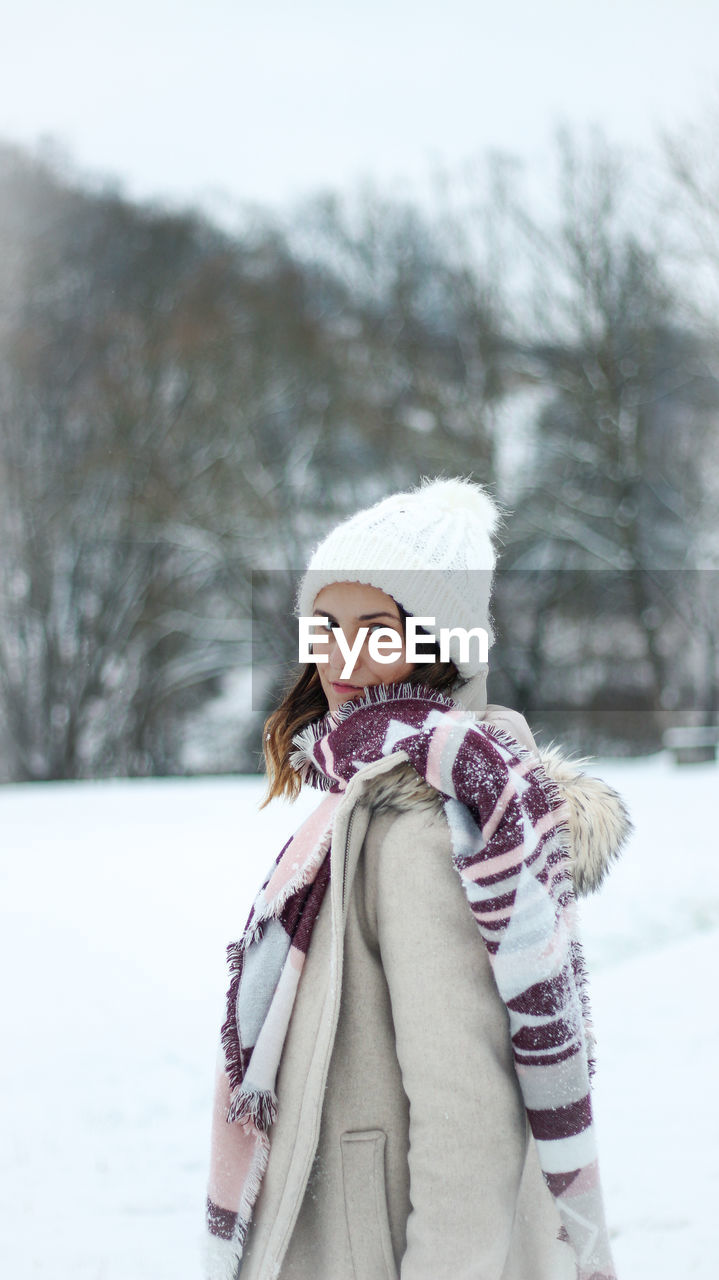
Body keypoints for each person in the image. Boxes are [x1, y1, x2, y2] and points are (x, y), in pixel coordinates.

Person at [205, 476, 631, 1280]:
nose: (343, 655)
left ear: (442, 642)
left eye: (376, 628)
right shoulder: (364, 793)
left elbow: (468, 1118)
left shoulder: (426, 825)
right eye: (326, 626)